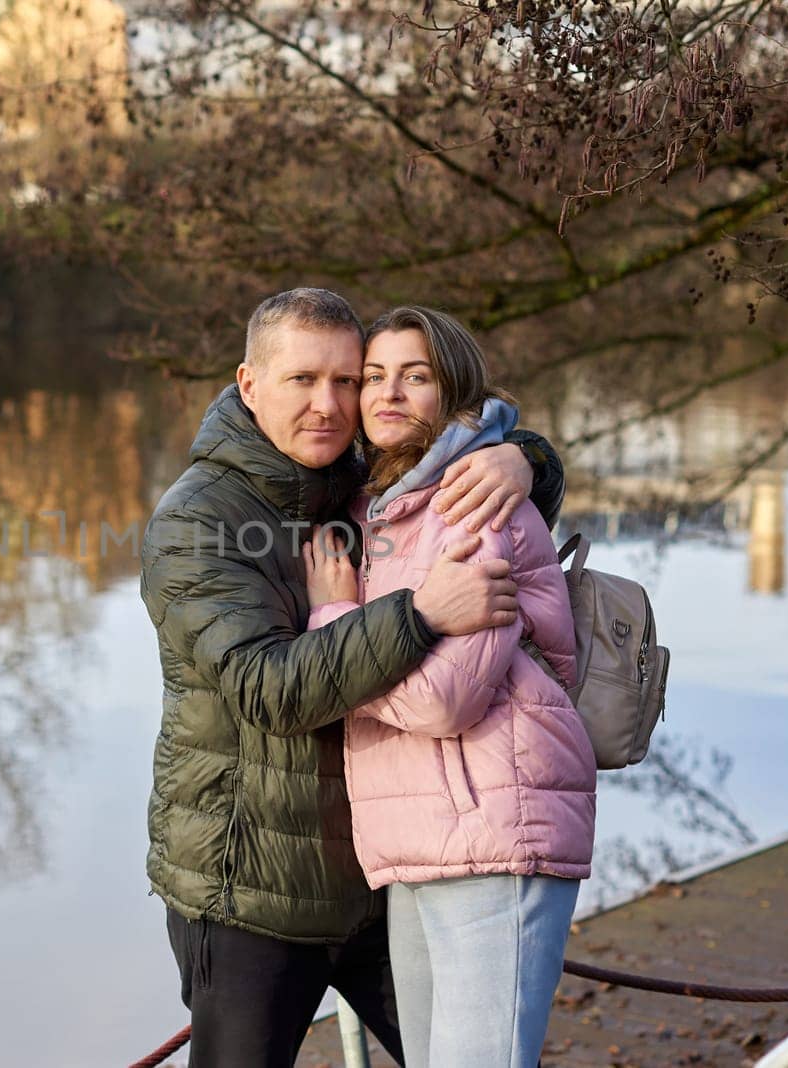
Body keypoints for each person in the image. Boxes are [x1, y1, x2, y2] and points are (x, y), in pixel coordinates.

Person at [139, 287, 566, 1067]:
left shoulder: (352, 477)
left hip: (379, 877)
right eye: (304, 380)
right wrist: (419, 614)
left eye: (347, 380)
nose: (331, 405)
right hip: (251, 895)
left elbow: (446, 464)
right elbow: (268, 690)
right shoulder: (197, 522)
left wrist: (524, 458)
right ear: (249, 384)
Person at [303, 305, 597, 1067]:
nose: (388, 393)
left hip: (494, 830)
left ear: (453, 390)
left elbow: (445, 700)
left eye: (416, 376)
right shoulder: (380, 507)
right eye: (374, 376)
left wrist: (334, 630)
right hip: (420, 842)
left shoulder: (473, 502)